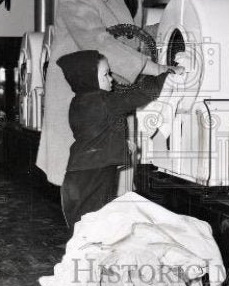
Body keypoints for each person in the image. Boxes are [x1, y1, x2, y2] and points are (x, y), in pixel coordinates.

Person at [36, 0, 183, 186]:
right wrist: (153, 69)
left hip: (115, 84)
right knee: (81, 171)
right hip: (77, 89)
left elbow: (131, 36)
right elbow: (97, 41)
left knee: (111, 169)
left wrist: (174, 25)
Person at [57, 49, 170, 229]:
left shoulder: (78, 102)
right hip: (95, 176)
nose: (112, 79)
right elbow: (138, 95)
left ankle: (83, 254)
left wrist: (120, 145)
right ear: (90, 79)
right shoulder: (103, 100)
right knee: (95, 227)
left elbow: (94, 133)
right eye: (106, 74)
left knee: (84, 226)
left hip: (77, 175)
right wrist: (165, 74)